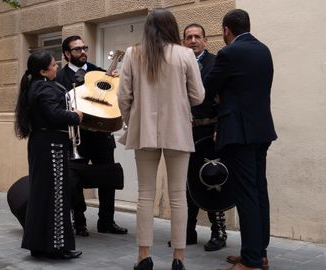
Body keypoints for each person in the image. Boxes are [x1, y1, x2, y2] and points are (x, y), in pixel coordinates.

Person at [118, 8, 205, 270]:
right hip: (178, 130)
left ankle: (144, 257)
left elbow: (123, 96)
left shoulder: (134, 53)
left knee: (145, 194)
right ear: (173, 28)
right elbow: (199, 95)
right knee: (178, 195)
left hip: (143, 130)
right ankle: (178, 259)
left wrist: (130, 120)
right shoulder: (185, 54)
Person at [203, 9, 277, 270]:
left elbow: (208, 88)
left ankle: (252, 261)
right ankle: (260, 252)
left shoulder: (228, 53)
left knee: (246, 195)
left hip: (238, 132)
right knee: (259, 192)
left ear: (226, 30)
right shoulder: (264, 50)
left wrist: (219, 95)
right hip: (262, 130)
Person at [56, 35, 128, 237]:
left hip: (102, 136)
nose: (82, 52)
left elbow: (114, 98)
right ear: (67, 54)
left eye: (84, 47)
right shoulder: (61, 79)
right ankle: (79, 221)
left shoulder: (99, 72)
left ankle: (107, 221)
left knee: (108, 178)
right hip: (77, 138)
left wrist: (115, 81)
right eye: (77, 49)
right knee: (75, 181)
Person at [14, 51, 83, 260]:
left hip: (44, 145)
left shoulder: (37, 85)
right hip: (51, 146)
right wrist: (75, 116)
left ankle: (40, 245)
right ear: (43, 71)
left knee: (42, 196)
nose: (56, 67)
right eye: (53, 65)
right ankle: (57, 247)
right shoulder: (43, 87)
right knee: (56, 197)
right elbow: (53, 114)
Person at [182, 23, 228, 252]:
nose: (192, 40)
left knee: (212, 180)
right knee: (186, 183)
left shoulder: (215, 62)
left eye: (197, 37)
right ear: (183, 41)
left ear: (205, 40)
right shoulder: (178, 65)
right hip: (183, 133)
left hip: (209, 132)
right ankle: (187, 232)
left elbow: (224, 98)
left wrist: (220, 126)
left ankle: (218, 233)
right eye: (188, 37)